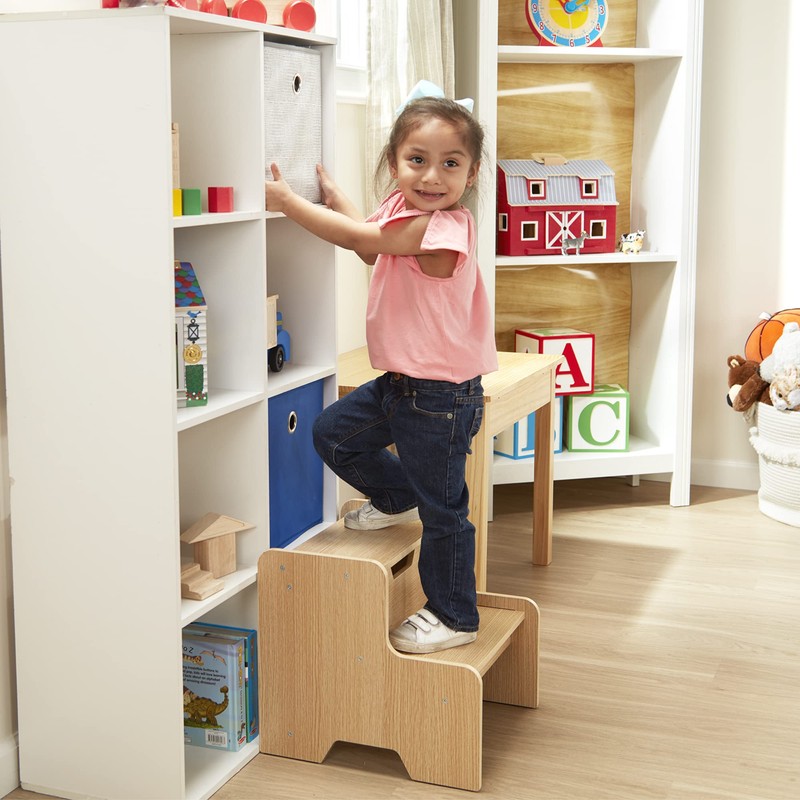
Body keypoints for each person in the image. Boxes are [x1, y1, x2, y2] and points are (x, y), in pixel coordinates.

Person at [264, 86, 498, 654]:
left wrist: (288, 202)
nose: (432, 177)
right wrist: (336, 197)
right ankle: (396, 496)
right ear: (394, 162)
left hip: (440, 397)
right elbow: (370, 245)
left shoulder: (445, 227)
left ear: (471, 175)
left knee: (445, 512)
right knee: (332, 434)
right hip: (400, 384)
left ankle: (455, 616)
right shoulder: (402, 212)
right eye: (417, 160)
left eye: (451, 164)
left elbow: (358, 238)